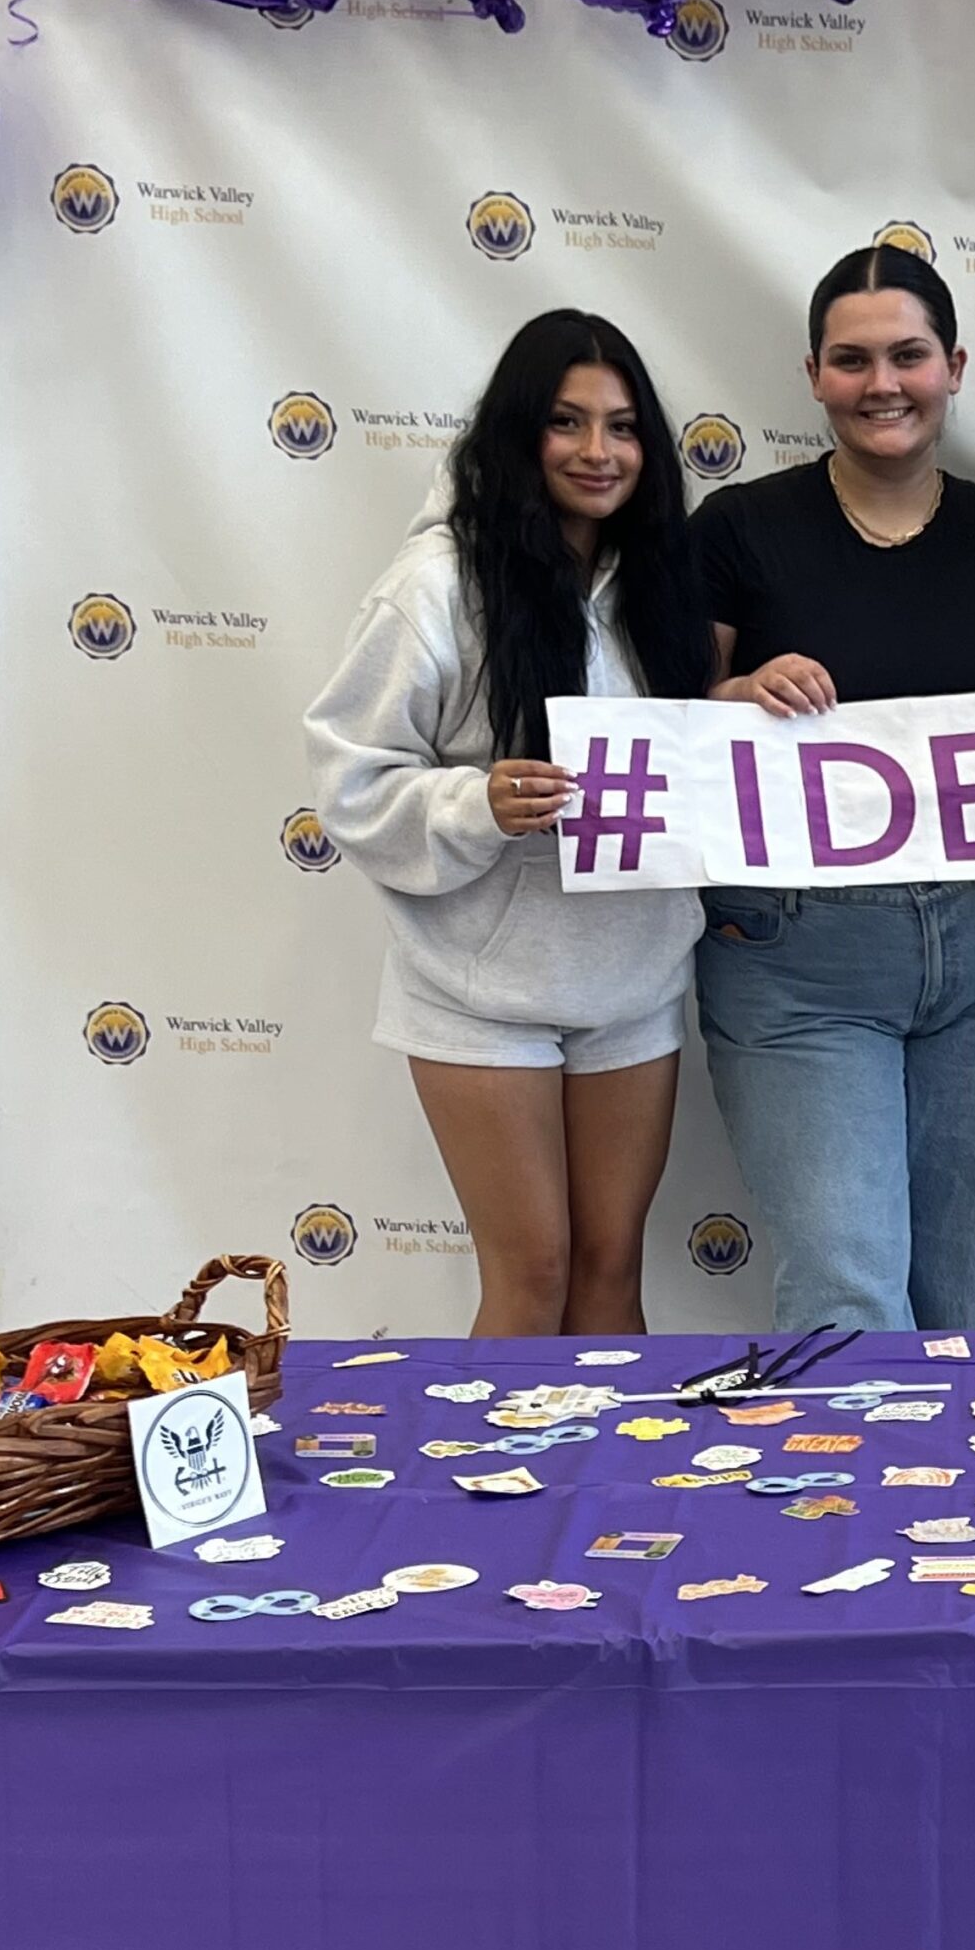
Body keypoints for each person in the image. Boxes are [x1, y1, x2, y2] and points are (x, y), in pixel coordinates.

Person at [305, 310, 714, 1335]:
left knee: (613, 1271)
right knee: (532, 1274)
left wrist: (744, 703)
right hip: (476, 991)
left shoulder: (658, 584)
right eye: (566, 423)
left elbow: (685, 757)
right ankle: (496, 1496)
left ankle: (619, 1487)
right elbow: (351, 780)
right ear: (518, 433)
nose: (597, 452)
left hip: (633, 977)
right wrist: (473, 802)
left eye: (622, 428)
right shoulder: (435, 586)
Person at [692, 245, 975, 1333]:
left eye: (907, 355)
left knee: (953, 1308)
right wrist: (735, 690)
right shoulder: (736, 530)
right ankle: (839, 1508)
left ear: (953, 366)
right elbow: (658, 718)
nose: (882, 383)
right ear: (812, 374)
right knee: (849, 1304)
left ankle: (938, 1508)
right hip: (796, 960)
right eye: (852, 360)